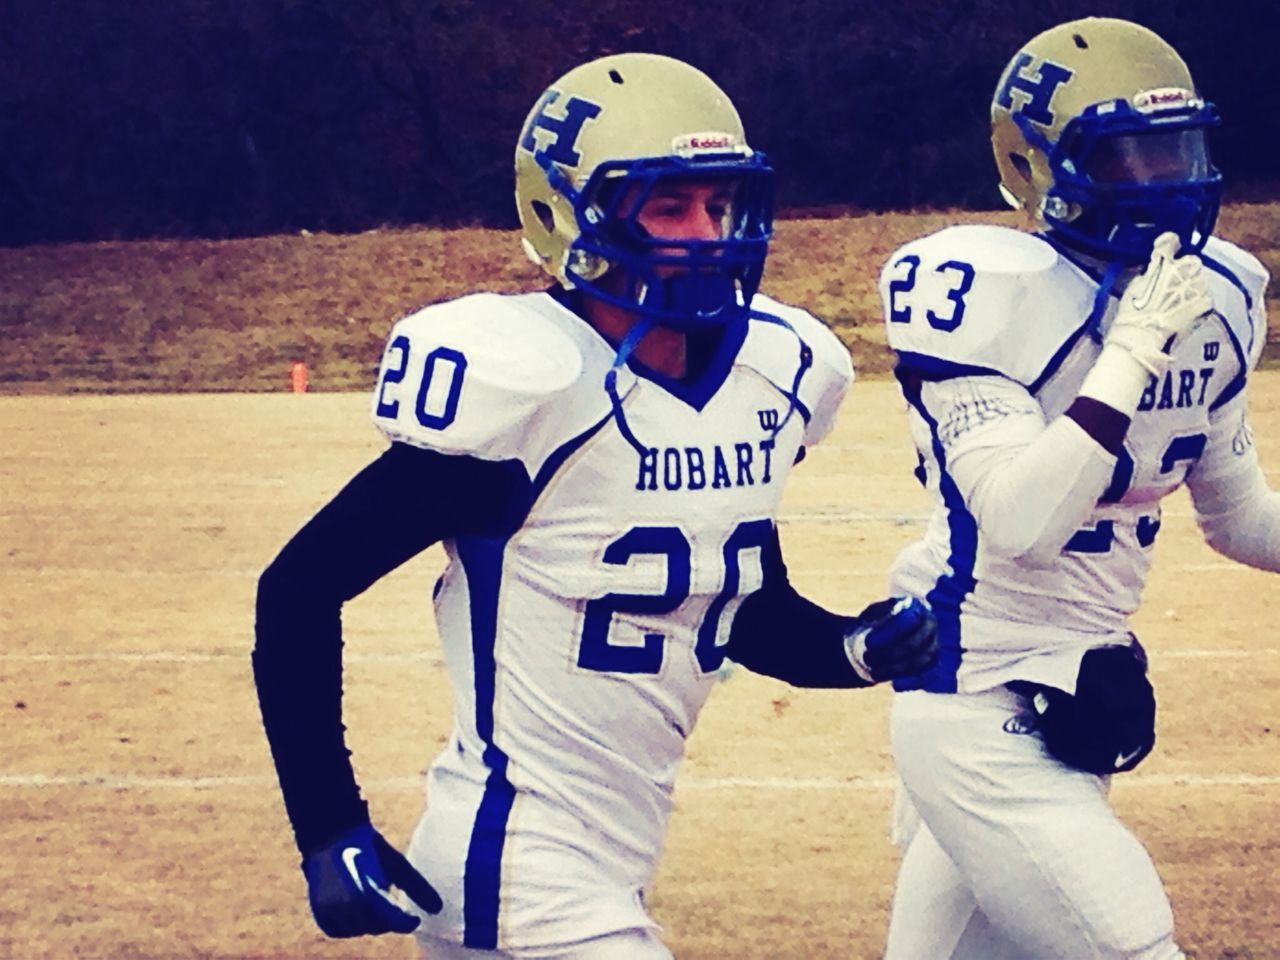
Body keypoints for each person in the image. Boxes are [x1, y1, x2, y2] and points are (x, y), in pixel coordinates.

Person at [253, 52, 938, 959]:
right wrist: (328, 825)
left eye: (718, 203)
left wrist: (847, 647)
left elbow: (737, 601)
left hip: (604, 862)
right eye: (668, 206)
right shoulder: (530, 384)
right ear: (565, 217)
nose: (706, 232)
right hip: (516, 872)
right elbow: (298, 588)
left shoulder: (776, 370)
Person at [874, 17, 1277, 960]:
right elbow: (1019, 518)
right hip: (974, 696)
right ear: (1042, 167)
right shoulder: (986, 291)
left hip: (1078, 691)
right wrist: (1131, 351)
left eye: (1177, 148)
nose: (1164, 178)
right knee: (1133, 946)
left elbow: (1242, 515)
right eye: (1127, 155)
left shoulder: (1218, 295)